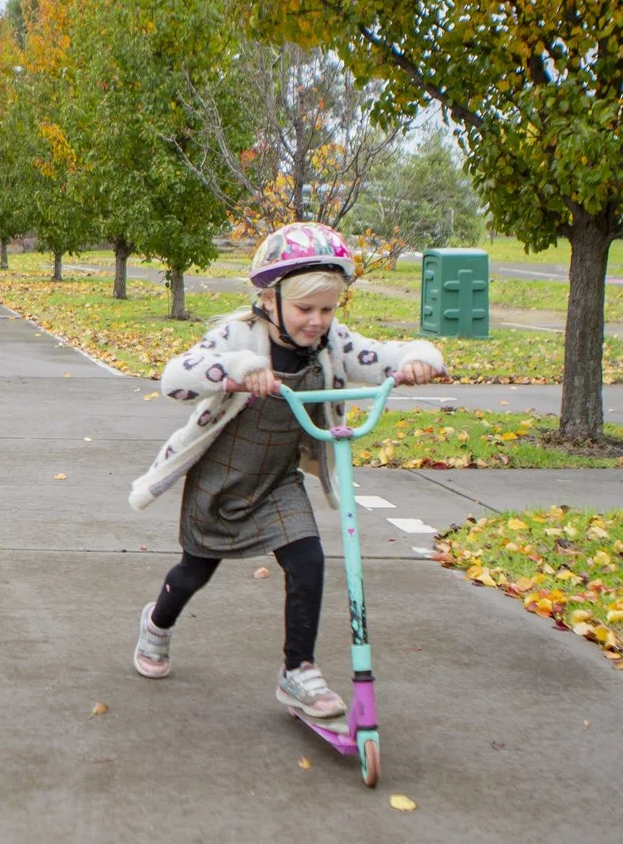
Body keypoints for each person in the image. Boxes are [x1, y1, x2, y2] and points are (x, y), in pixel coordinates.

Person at [127, 222, 447, 718]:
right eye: (305, 309)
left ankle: (297, 671)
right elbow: (175, 378)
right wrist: (233, 369)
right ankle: (157, 624)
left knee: (308, 560)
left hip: (279, 480)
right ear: (271, 300)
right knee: (194, 571)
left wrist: (420, 359)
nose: (316, 321)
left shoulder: (331, 343)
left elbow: (382, 357)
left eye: (327, 309)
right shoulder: (239, 336)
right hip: (222, 477)